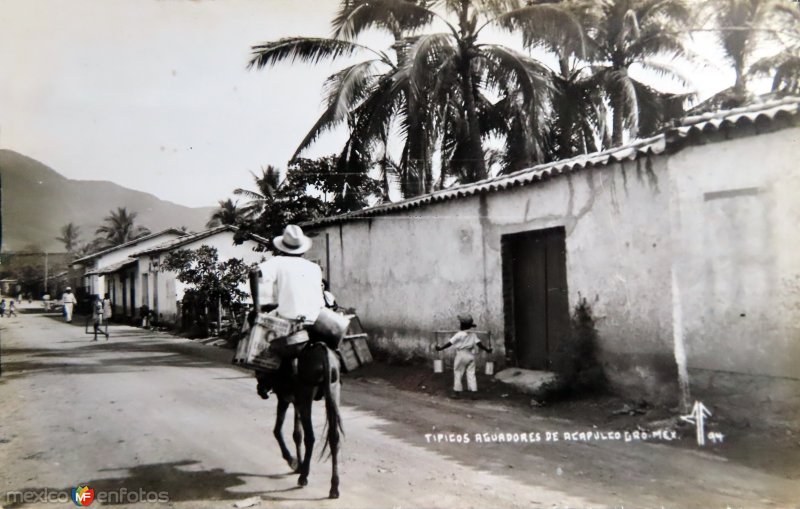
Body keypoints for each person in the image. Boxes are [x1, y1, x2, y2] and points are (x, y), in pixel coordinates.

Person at [249, 224, 324, 399]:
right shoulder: (314, 267)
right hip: (316, 322)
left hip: (289, 323)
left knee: (262, 341)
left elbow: (253, 273)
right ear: (302, 248)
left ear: (283, 246)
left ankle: (264, 381)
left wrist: (257, 308)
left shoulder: (277, 262)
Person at [436, 314, 493, 398]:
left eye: (460, 323)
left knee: (458, 372)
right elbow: (479, 344)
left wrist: (441, 348)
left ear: (462, 325)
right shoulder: (473, 334)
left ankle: (456, 392)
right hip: (471, 355)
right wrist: (487, 350)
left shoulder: (459, 334)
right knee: (471, 373)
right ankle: (474, 393)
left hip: (461, 355)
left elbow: (450, 343)